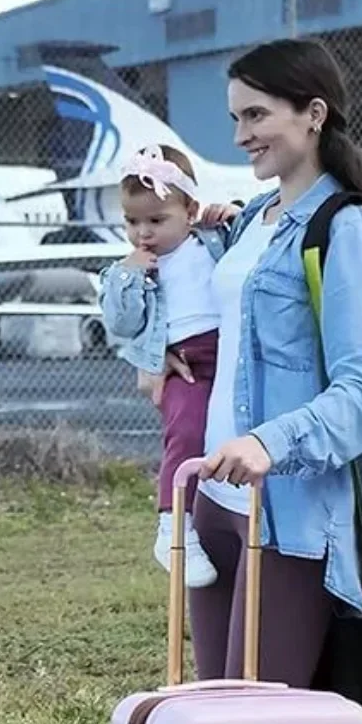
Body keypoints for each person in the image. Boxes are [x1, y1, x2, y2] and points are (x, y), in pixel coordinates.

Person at [167, 37, 362, 689]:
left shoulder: (346, 229)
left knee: (253, 722)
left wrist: (268, 443)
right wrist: (168, 348)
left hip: (288, 514)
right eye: (235, 118)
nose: (241, 135)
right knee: (212, 709)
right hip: (214, 499)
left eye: (256, 115)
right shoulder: (252, 219)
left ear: (313, 114)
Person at [98, 143, 239, 589]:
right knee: (187, 433)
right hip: (184, 366)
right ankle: (174, 527)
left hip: (230, 354)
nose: (143, 233)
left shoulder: (211, 241)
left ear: (190, 211)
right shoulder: (134, 271)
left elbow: (251, 252)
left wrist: (234, 214)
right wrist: (129, 274)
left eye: (156, 221)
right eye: (131, 221)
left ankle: (233, 517)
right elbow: (122, 324)